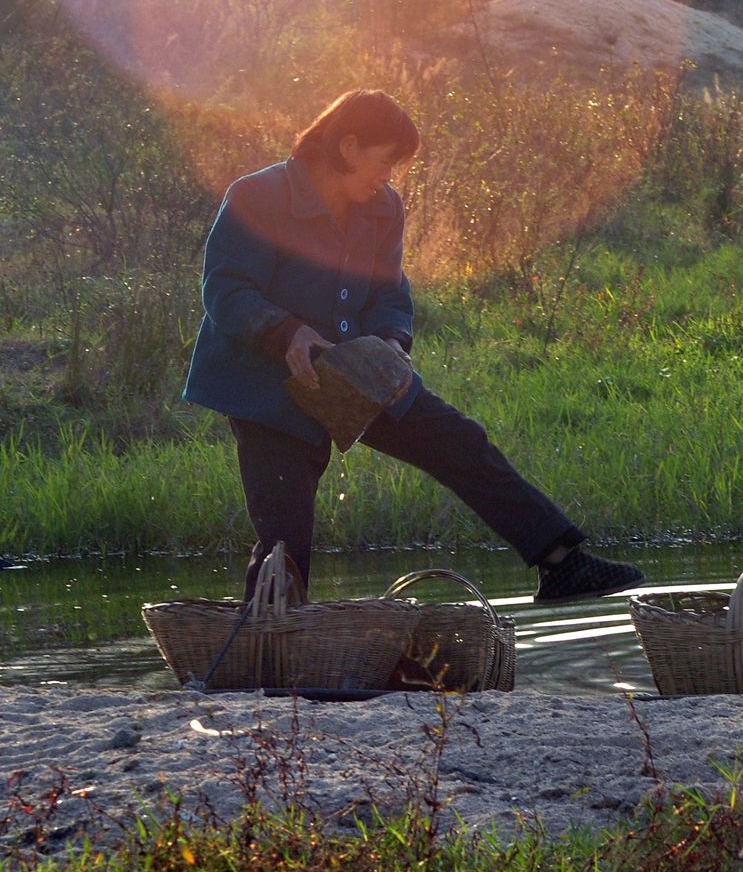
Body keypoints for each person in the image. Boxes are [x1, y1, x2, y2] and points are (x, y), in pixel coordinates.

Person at [184, 89, 643, 603]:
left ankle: (561, 563)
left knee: (459, 441)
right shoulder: (256, 196)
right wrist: (285, 331)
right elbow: (225, 290)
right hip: (266, 387)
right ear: (349, 146)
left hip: (359, 372)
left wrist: (390, 342)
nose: (390, 177)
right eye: (385, 162)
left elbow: (389, 292)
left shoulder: (383, 207)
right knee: (285, 542)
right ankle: (266, 653)